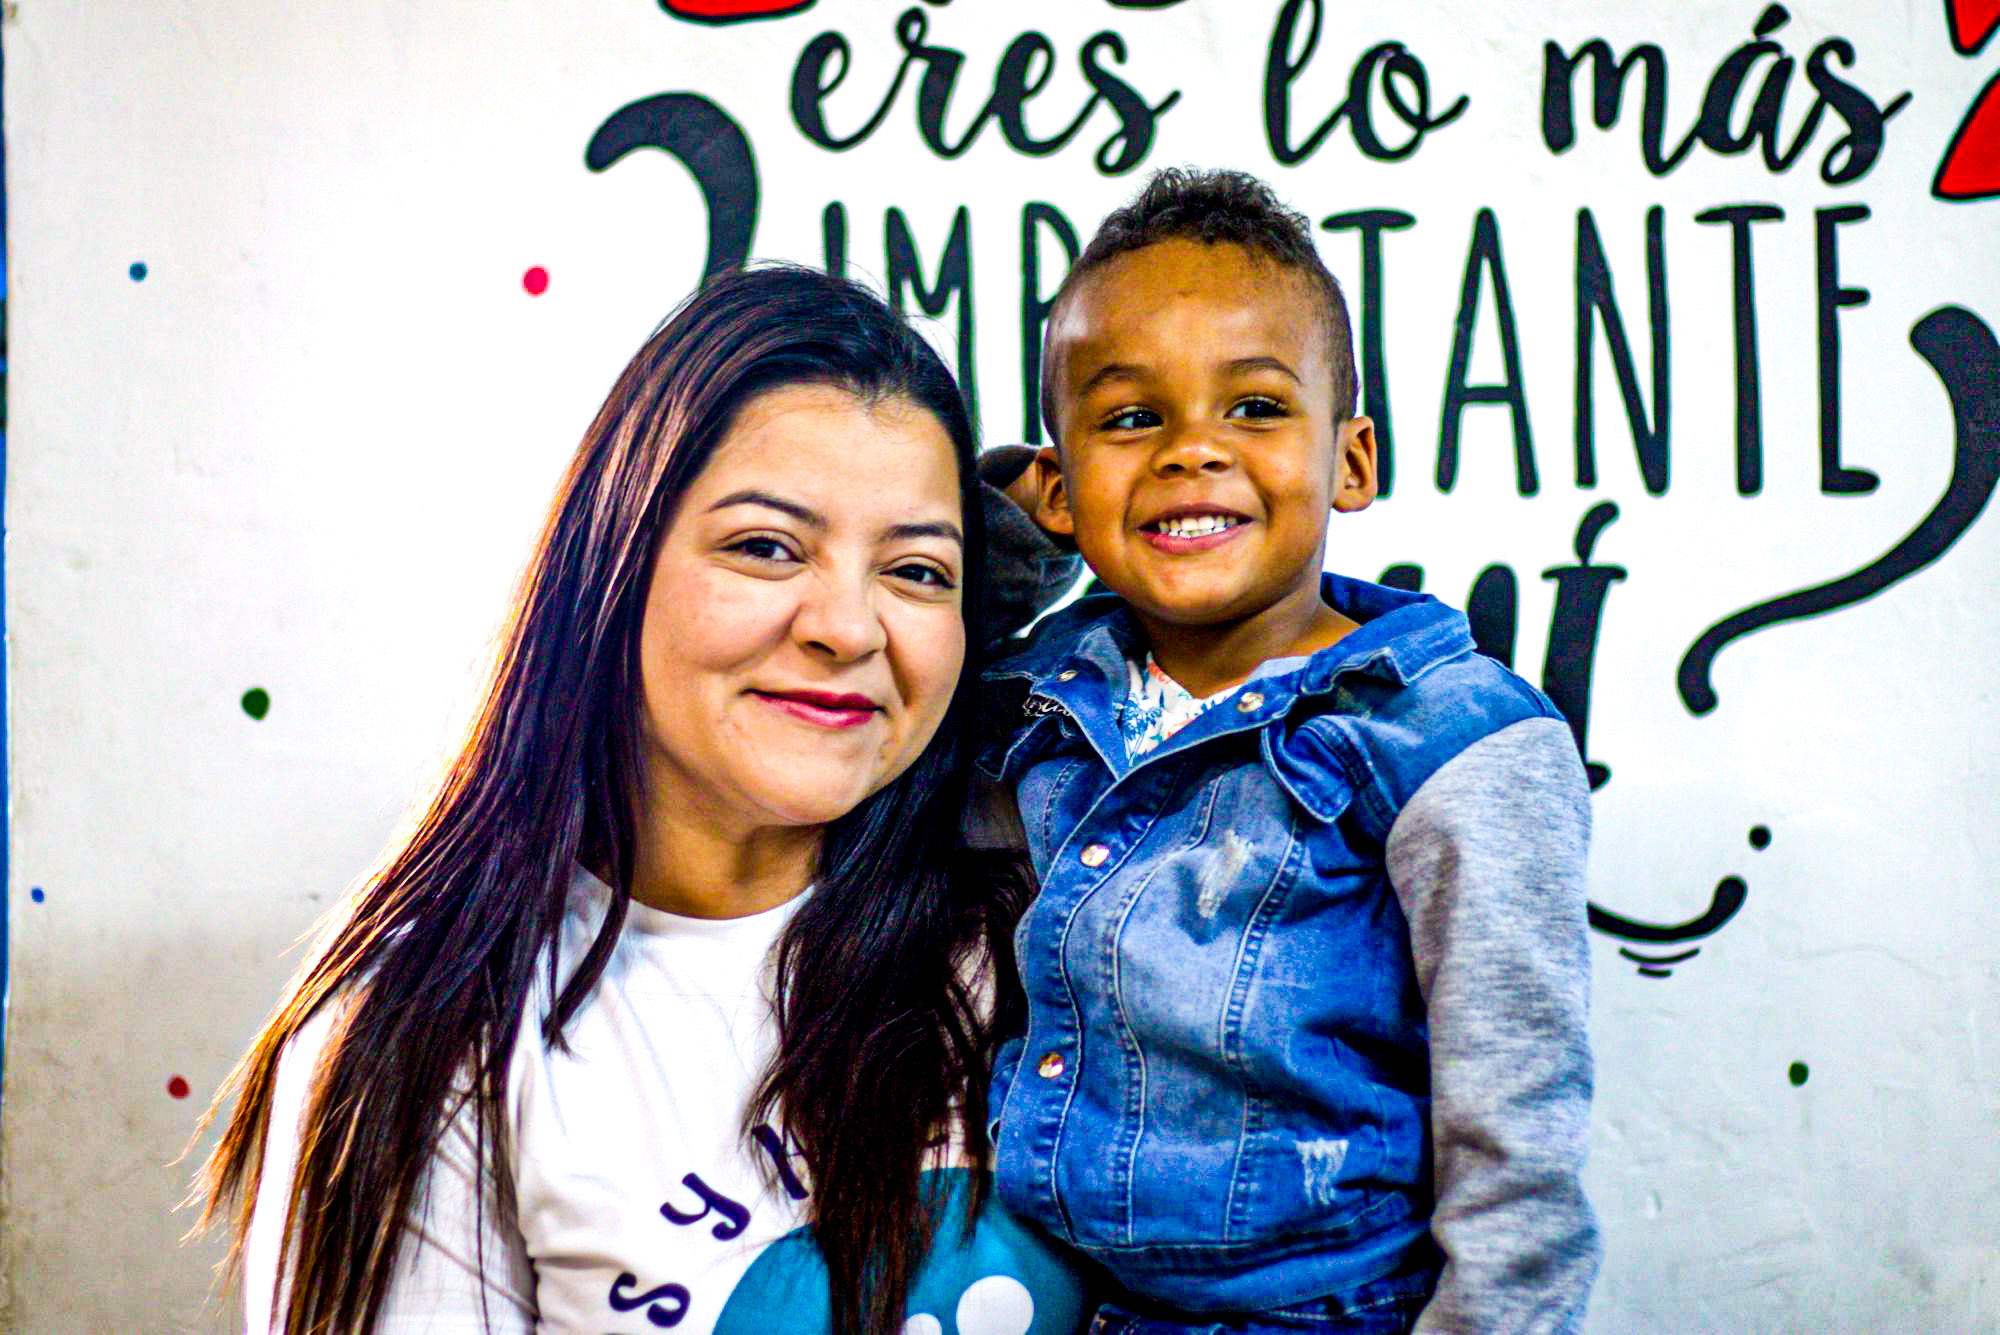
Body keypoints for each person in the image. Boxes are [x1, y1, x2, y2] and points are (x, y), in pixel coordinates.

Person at [189, 264, 1092, 1335]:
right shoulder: (427, 1032)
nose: (848, 629)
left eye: (916, 571)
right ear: (614, 564)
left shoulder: (1065, 927)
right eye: (766, 547)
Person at [983, 168, 1600, 1333]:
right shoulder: (1037, 705)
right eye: (1128, 418)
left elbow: (1516, 1147)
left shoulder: (1454, 744)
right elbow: (878, 692)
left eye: (1255, 408)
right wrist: (1006, 537)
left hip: (1331, 1311)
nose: (1189, 452)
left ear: (1352, 461)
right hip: (1065, 1303)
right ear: (1062, 488)